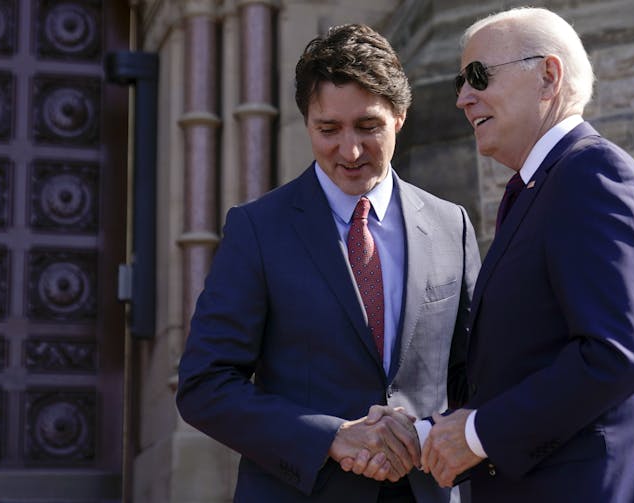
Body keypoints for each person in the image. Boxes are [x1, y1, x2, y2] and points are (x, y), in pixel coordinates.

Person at [175, 23, 480, 503]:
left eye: (368, 126)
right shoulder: (257, 230)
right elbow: (204, 386)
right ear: (306, 122)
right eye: (328, 129)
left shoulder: (452, 226)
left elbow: (472, 374)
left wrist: (430, 434)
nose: (350, 150)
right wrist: (332, 436)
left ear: (399, 116)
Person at [416, 7, 634, 502]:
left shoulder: (592, 176)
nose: (463, 98)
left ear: (548, 76)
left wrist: (477, 435)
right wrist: (426, 431)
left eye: (478, 76)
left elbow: (614, 356)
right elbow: (518, 366)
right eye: (459, 83)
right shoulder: (538, 188)